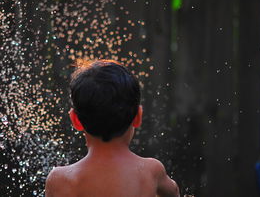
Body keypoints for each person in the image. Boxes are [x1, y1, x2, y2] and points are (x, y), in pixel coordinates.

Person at [45, 59, 180, 197]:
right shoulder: (150, 171)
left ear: (75, 120)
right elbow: (174, 192)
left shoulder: (60, 180)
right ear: (138, 116)